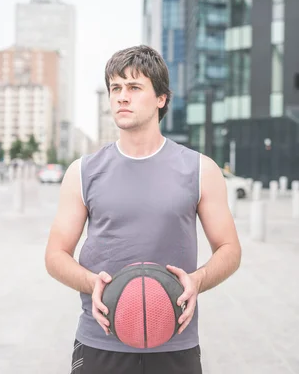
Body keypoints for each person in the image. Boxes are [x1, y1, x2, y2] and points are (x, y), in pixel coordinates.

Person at [45, 45, 241, 374]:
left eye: (135, 88)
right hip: (100, 342)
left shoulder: (199, 169)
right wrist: (91, 282)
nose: (122, 97)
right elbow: (55, 255)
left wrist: (197, 280)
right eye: (116, 88)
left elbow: (230, 248)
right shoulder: (83, 171)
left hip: (175, 342)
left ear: (161, 98)